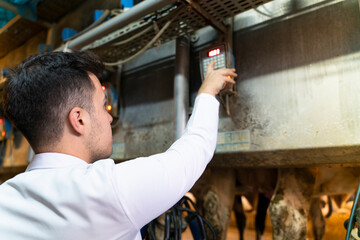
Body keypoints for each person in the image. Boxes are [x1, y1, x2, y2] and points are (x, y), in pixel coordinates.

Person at [0, 51, 237, 239]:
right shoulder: (107, 190)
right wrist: (207, 92)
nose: (109, 118)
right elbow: (191, 154)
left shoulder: (5, 199)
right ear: (79, 119)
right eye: (103, 106)